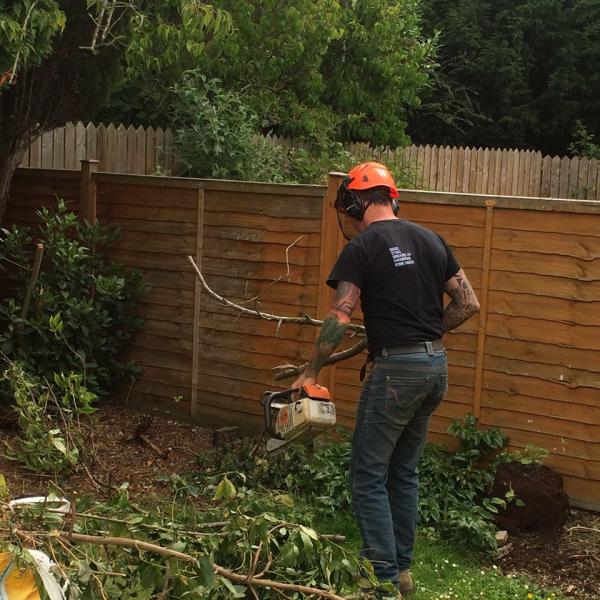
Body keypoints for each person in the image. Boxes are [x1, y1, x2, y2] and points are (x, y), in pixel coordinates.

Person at [291, 162, 480, 598]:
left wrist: (311, 371)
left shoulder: (363, 245)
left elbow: (341, 313)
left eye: (349, 207)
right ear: (391, 197)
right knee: (403, 471)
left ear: (356, 202)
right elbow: (467, 303)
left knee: (367, 473)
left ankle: (381, 579)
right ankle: (403, 571)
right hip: (435, 368)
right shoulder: (431, 240)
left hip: (397, 372)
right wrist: (426, 333)